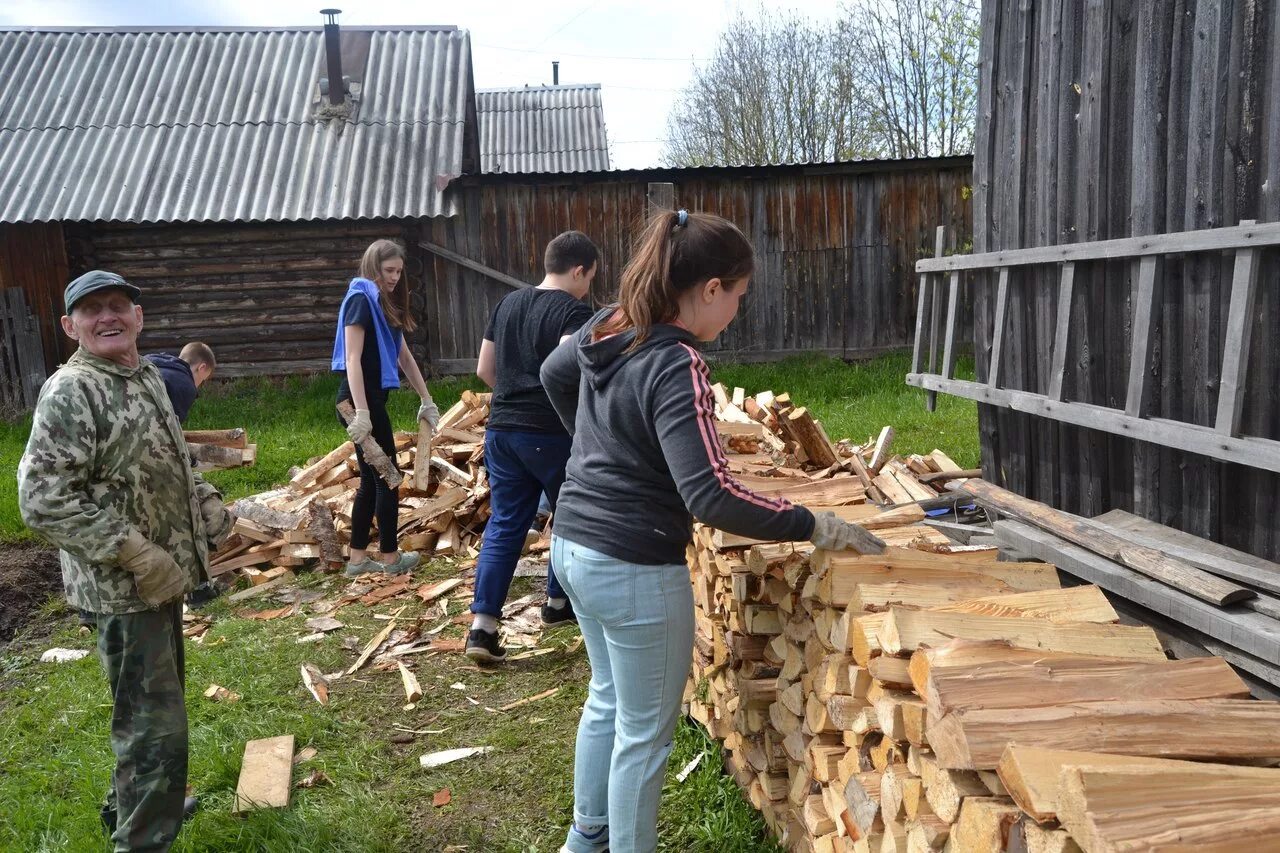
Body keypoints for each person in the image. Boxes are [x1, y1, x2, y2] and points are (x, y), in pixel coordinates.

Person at [540, 210, 882, 853]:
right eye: (740, 297)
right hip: (633, 563)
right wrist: (813, 522)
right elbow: (710, 494)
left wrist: (599, 451)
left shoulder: (612, 322)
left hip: (574, 542)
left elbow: (556, 374)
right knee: (645, 735)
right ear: (710, 288)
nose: (737, 313)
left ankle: (585, 841)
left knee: (607, 698)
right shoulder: (677, 363)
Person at [18, 269, 234, 851]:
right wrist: (136, 553)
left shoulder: (144, 376)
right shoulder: (73, 391)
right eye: (92, 311)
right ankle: (141, 839)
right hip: (123, 588)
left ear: (139, 317)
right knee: (154, 729)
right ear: (70, 326)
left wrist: (205, 500)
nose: (108, 317)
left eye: (119, 306)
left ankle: (138, 806)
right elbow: (42, 499)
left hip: (160, 581)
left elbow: (167, 453)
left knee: (147, 715)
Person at [466, 231, 599, 664]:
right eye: (590, 278)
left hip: (501, 430)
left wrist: (515, 393)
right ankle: (560, 605)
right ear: (579, 270)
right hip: (549, 431)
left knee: (505, 523)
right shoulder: (574, 310)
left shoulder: (507, 304)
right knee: (572, 517)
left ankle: (482, 629)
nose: (589, 288)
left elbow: (485, 369)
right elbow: (563, 371)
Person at [332, 239, 440, 576]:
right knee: (388, 478)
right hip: (356, 400)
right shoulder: (360, 300)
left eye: (398, 271)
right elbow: (352, 359)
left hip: (369, 399)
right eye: (389, 270)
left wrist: (427, 399)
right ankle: (392, 559)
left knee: (370, 481)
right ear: (373, 267)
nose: (394, 277)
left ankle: (357, 560)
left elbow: (404, 356)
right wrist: (362, 412)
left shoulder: (384, 304)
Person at [145, 341, 216, 424]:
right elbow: (173, 427)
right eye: (202, 380)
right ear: (202, 367)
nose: (199, 386)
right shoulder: (185, 385)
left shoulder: (151, 361)